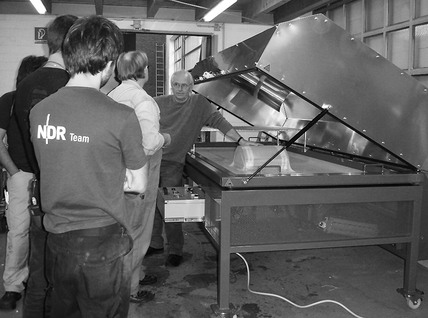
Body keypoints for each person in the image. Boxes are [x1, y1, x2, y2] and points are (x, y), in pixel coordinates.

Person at [29, 15, 148, 318]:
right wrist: (106, 176)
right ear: (110, 65)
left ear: (68, 57)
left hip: (56, 242)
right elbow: (137, 184)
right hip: (103, 242)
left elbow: (57, 165)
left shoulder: (39, 112)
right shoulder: (121, 116)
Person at [149, 69, 259, 267]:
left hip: (173, 162)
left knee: (170, 205)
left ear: (191, 87)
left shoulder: (199, 104)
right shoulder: (157, 103)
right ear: (171, 85)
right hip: (151, 159)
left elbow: (220, 122)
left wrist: (242, 141)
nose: (180, 89)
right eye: (176, 84)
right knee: (150, 203)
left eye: (185, 85)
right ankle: (155, 243)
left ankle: (175, 249)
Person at [12, 15, 78, 317]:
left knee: (38, 275)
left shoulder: (25, 85)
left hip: (38, 191)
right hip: (66, 199)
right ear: (72, 42)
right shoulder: (70, 86)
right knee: (67, 280)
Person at [108, 50, 171, 304]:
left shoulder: (113, 95)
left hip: (116, 172)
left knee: (123, 229)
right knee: (139, 232)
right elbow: (148, 142)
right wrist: (165, 138)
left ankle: (134, 275)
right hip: (140, 174)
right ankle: (129, 290)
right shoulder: (142, 99)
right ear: (143, 71)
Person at [0, 55, 48, 311]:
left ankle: (41, 281)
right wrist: (14, 172)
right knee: (18, 231)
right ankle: (13, 286)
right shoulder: (9, 100)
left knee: (48, 232)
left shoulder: (50, 102)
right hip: (20, 177)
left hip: (48, 177)